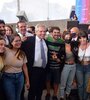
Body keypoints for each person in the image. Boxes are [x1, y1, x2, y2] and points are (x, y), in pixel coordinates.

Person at [21, 24, 48, 100]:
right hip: (33, 70)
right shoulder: (28, 40)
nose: (43, 33)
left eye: (44, 31)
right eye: (40, 31)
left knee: (40, 90)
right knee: (32, 91)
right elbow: (21, 50)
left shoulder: (45, 42)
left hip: (43, 70)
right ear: (35, 32)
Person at [2, 33, 30, 100]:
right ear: (11, 42)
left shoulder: (22, 53)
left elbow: (25, 67)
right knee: (11, 98)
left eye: (19, 40)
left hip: (20, 77)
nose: (18, 42)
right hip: (7, 78)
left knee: (18, 97)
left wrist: (27, 80)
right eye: (16, 41)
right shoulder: (5, 50)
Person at [45, 26, 65, 100]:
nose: (56, 34)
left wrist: (58, 59)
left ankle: (55, 95)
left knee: (56, 81)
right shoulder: (47, 39)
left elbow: (63, 54)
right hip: (48, 65)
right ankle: (48, 93)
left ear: (59, 33)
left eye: (58, 32)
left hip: (57, 66)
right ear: (51, 33)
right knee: (47, 80)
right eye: (55, 32)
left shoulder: (61, 42)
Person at [60, 31, 78, 100]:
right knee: (63, 83)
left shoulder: (73, 44)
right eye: (66, 36)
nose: (68, 37)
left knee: (70, 83)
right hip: (66, 66)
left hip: (74, 66)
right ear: (63, 37)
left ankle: (67, 95)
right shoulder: (62, 45)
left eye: (69, 36)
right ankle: (61, 96)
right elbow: (60, 55)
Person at [76, 31, 90, 100]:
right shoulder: (76, 46)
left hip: (88, 67)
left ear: (86, 37)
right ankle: (81, 98)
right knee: (80, 85)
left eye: (84, 37)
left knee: (86, 85)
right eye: (80, 38)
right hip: (79, 67)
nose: (82, 39)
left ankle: (85, 98)